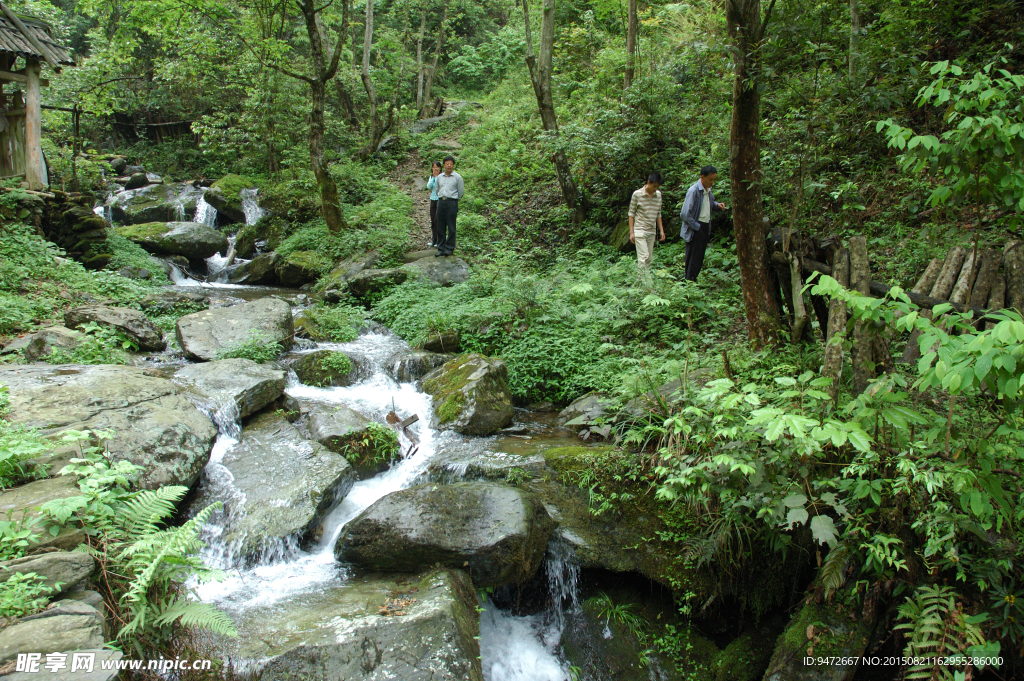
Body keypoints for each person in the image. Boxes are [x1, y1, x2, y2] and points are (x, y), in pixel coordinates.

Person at [679, 165, 726, 282]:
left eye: (714, 180)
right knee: (693, 256)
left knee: (699, 256)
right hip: (696, 226)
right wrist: (696, 227)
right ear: (702, 177)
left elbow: (708, 203)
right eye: (710, 179)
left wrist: (717, 205)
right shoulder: (694, 191)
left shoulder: (708, 191)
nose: (712, 182)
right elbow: (684, 214)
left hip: (705, 225)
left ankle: (692, 280)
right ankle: (689, 282)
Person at [628, 172, 666, 269]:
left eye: (657, 187)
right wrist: (631, 232)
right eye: (654, 186)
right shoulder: (637, 194)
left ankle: (639, 282)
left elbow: (658, 213)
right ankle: (646, 283)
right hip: (640, 229)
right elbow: (631, 214)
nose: (655, 189)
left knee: (648, 259)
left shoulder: (658, 195)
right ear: (648, 182)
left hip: (651, 230)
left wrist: (661, 230)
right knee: (643, 257)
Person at [434, 155, 464, 257]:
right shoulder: (439, 177)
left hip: (452, 203)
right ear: (444, 165)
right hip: (441, 202)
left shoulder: (457, 177)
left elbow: (461, 192)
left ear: (453, 165)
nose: (449, 165)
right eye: (447, 163)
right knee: (440, 226)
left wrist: (454, 200)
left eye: (451, 163)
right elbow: (437, 189)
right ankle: (441, 249)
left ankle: (449, 248)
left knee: (451, 226)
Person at [426, 160, 442, 247]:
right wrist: (433, 178)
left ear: (440, 168)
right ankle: (434, 240)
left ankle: (439, 241)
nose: (435, 169)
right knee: (433, 221)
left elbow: (440, 186)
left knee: (438, 221)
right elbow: (428, 187)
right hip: (433, 199)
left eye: (437, 167)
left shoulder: (442, 177)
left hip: (440, 199)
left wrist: (436, 177)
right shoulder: (431, 177)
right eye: (434, 167)